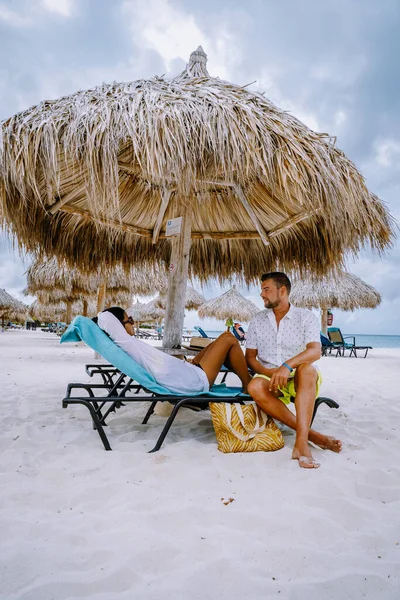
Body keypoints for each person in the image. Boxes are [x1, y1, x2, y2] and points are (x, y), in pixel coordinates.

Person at [246, 272, 342, 469]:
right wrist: (269, 372)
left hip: (299, 376)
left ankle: (301, 444)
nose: (262, 294)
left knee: (307, 369)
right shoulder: (257, 320)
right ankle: (312, 436)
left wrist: (287, 366)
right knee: (254, 386)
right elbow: (250, 357)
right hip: (268, 377)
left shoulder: (305, 317)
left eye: (266, 289)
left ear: (282, 290)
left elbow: (315, 351)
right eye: (261, 290)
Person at [93, 307, 251, 395]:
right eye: (130, 320)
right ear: (118, 325)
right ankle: (248, 384)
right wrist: (96, 318)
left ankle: (247, 378)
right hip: (192, 381)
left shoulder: (126, 344)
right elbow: (105, 318)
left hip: (187, 370)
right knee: (229, 338)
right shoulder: (125, 342)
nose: (133, 323)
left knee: (221, 342)